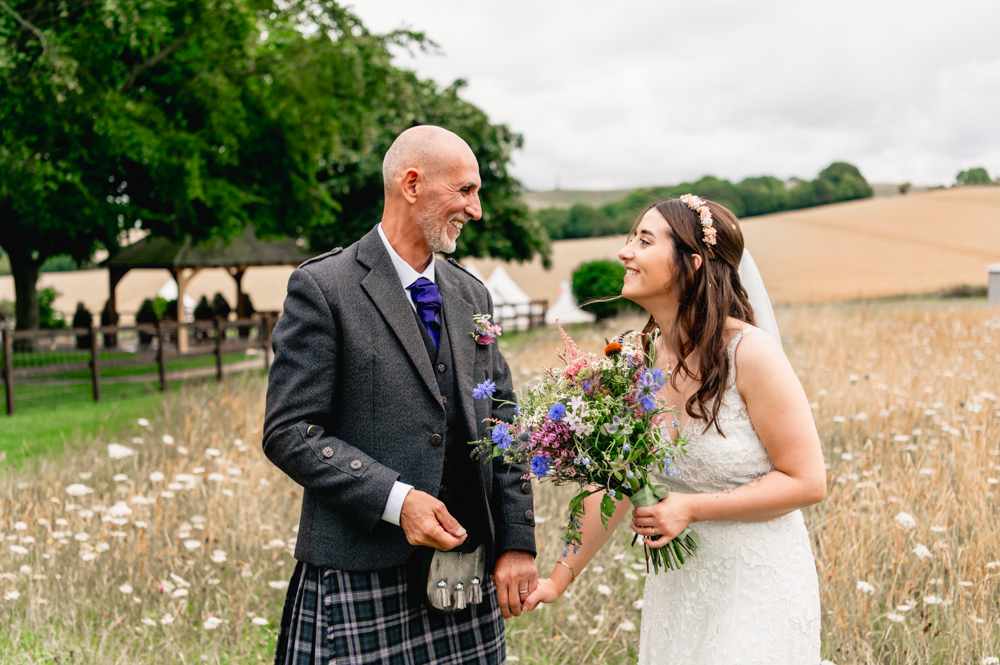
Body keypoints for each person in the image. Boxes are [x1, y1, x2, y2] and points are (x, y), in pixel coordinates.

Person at [264, 125, 537, 664]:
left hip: (464, 570)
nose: (476, 209)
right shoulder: (325, 288)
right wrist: (398, 500)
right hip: (360, 571)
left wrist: (516, 542)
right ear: (412, 184)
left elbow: (504, 422)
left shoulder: (469, 292)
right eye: (465, 190)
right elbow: (289, 432)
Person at [523, 196, 826, 663]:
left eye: (644, 241)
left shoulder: (750, 353)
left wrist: (691, 508)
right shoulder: (633, 361)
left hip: (758, 583)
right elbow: (617, 480)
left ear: (692, 264)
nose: (625, 252)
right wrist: (558, 577)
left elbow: (807, 481)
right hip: (679, 593)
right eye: (631, 239)